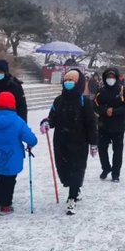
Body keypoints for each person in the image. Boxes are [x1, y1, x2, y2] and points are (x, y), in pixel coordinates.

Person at [39, 69, 97, 215]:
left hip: (79, 141)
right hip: (61, 140)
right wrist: (46, 122)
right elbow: (52, 117)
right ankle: (74, 188)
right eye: (66, 80)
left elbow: (91, 124)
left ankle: (72, 197)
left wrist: (93, 143)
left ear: (78, 83)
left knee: (76, 169)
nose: (68, 83)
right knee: (63, 171)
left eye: (72, 80)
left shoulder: (85, 101)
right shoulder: (59, 100)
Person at [0, 92, 38, 215]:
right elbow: (31, 139)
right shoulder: (17, 121)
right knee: (10, 180)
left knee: (0, 177)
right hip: (13, 157)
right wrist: (32, 143)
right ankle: (6, 205)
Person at [94, 68, 125, 182]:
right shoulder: (100, 91)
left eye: (113, 77)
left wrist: (114, 111)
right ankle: (106, 167)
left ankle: (116, 173)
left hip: (118, 125)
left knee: (117, 150)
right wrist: (105, 110)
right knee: (102, 148)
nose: (110, 79)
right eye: (108, 77)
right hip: (103, 124)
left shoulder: (123, 90)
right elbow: (95, 105)